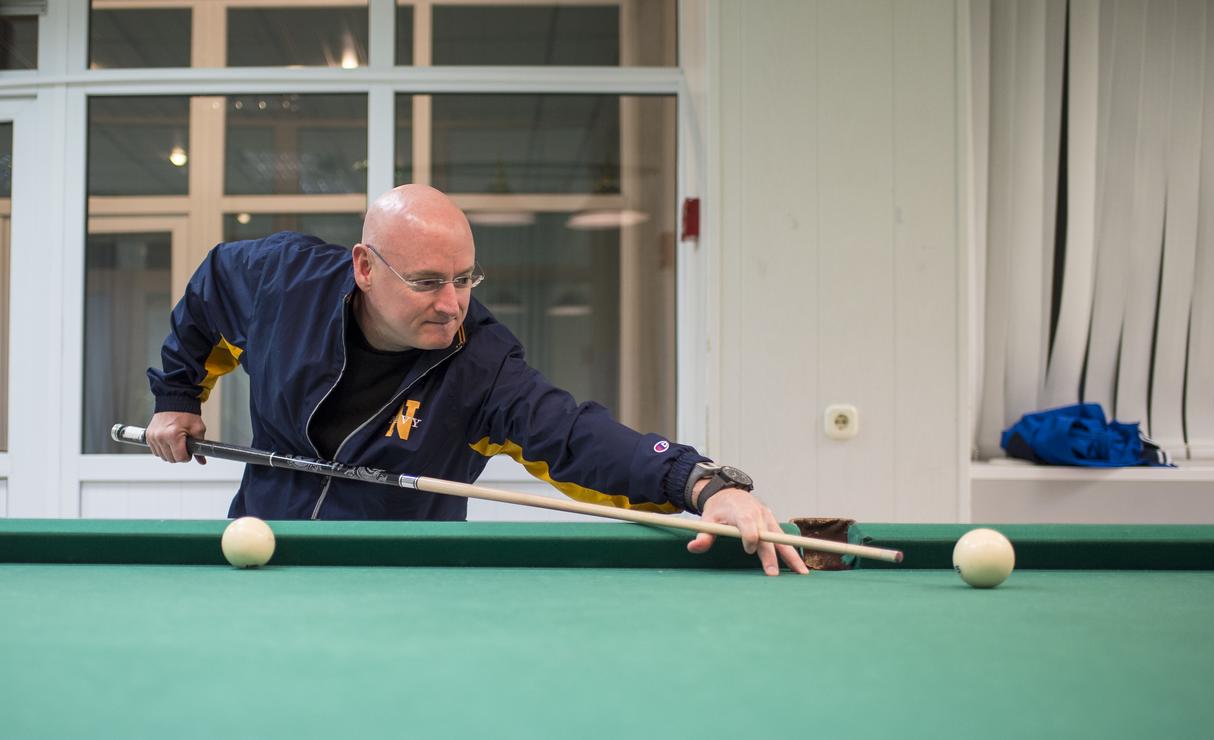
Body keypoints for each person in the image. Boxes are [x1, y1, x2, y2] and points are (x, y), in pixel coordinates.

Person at [145, 185, 808, 576]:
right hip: (263, 555)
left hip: (401, 582)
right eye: (428, 282)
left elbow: (578, 437)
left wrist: (703, 484)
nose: (452, 303)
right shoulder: (282, 282)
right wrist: (178, 397)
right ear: (365, 268)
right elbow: (209, 295)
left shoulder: (479, 365)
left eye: (465, 279)